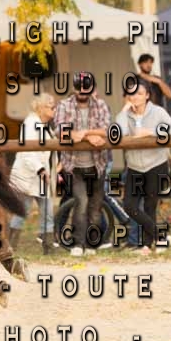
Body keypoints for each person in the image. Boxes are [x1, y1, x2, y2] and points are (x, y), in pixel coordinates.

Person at [115, 80, 171, 254]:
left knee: (150, 206)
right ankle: (161, 237)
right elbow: (119, 133)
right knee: (130, 206)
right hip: (135, 167)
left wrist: (151, 133)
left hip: (156, 165)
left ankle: (147, 245)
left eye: (139, 93)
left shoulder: (158, 112)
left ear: (147, 96)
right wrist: (124, 110)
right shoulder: (125, 115)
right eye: (132, 93)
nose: (135, 97)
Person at [52, 72, 112, 256]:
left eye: (86, 87)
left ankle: (91, 244)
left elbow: (107, 129)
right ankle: (78, 244)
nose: (82, 91)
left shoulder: (101, 105)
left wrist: (83, 133)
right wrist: (87, 135)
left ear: (92, 88)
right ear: (74, 87)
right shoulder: (64, 105)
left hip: (97, 164)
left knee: (95, 207)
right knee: (81, 202)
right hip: (73, 165)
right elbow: (60, 131)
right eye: (79, 87)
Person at [8, 93, 57, 251]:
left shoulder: (45, 125)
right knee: (22, 211)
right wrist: (40, 169)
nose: (54, 109)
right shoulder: (30, 124)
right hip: (27, 175)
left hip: (41, 177)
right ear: (41, 108)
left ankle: (48, 246)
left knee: (47, 211)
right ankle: (10, 246)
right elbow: (27, 152)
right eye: (51, 107)